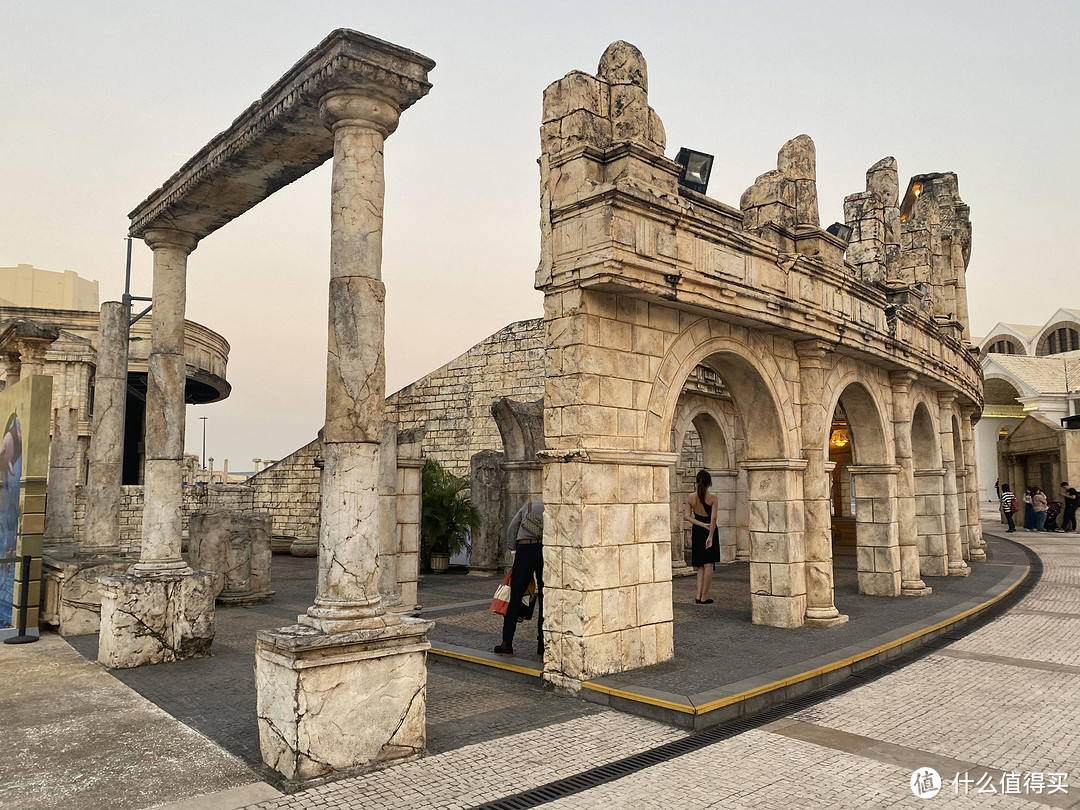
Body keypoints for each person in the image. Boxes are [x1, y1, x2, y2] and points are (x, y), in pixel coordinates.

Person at [494, 499, 544, 657]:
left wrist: (513, 549)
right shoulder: (551, 507)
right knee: (545, 596)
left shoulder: (528, 506)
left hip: (524, 548)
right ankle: (542, 645)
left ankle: (507, 642)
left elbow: (512, 527)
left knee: (515, 595)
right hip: (543, 548)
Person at [686, 469, 720, 604]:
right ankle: (704, 596)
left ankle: (698, 595)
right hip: (708, 531)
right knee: (708, 565)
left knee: (700, 565)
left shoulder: (690, 497)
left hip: (698, 531)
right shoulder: (713, 498)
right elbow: (714, 518)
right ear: (709, 483)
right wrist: (710, 536)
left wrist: (699, 524)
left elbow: (687, 516)